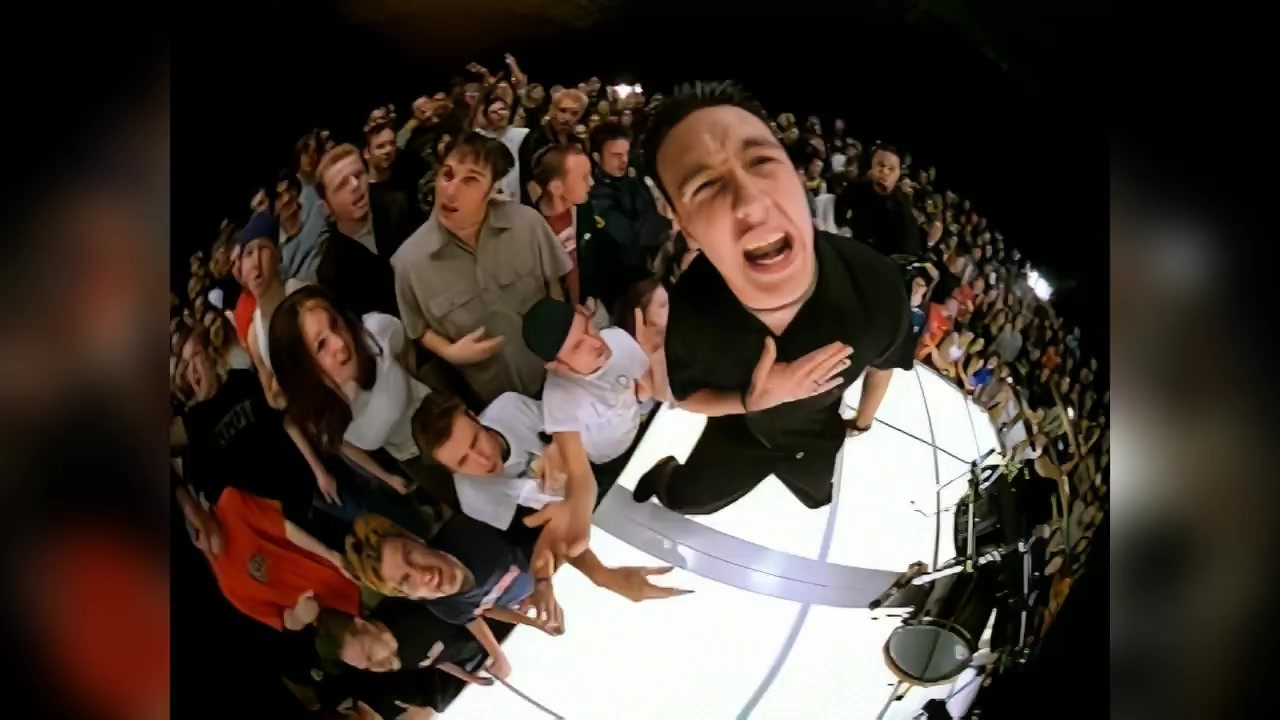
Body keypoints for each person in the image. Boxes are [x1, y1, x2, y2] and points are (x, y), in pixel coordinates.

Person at [631, 82, 915, 514]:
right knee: (688, 501)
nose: (751, 203)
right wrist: (751, 400)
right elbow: (685, 396)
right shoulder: (690, 309)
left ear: (797, 177)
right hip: (739, 428)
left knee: (816, 499)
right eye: (705, 185)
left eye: (761, 161)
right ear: (686, 227)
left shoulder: (876, 285)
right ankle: (665, 475)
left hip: (814, 433)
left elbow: (884, 362)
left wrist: (863, 421)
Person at [410, 390, 692, 602]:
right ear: (450, 471)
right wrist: (604, 576)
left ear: (474, 416)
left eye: (476, 440)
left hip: (608, 459)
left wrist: (560, 447)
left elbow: (572, 424)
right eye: (462, 462)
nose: (482, 460)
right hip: (592, 515)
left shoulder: (509, 407)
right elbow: (545, 535)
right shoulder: (473, 497)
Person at [391, 132, 573, 407]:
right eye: (447, 175)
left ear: (491, 191)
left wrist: (563, 342)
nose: (451, 191)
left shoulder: (527, 224)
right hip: (489, 399)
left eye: (471, 180)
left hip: (555, 376)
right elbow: (418, 328)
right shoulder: (408, 262)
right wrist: (449, 353)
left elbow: (555, 285)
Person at [268, 285, 456, 510]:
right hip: (411, 459)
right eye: (321, 345)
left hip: (443, 418)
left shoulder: (376, 334)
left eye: (335, 323)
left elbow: (406, 348)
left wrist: (414, 380)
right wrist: (387, 477)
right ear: (303, 369)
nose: (340, 343)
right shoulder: (321, 414)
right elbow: (347, 446)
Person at [345, 513, 561, 681]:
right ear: (408, 596)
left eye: (410, 554)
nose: (423, 574)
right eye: (405, 580)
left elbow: (559, 528)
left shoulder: (475, 527)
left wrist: (544, 581)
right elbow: (483, 610)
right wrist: (531, 621)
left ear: (417, 540)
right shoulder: (443, 608)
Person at [533, 143, 637, 312]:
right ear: (556, 188)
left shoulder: (586, 211)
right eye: (584, 177)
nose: (591, 182)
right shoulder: (532, 228)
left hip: (591, 306)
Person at [313, 145, 406, 319]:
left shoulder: (399, 207)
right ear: (326, 206)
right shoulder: (331, 271)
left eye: (358, 175)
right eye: (342, 185)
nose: (355, 185)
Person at [588, 121, 673, 279]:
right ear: (597, 157)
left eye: (626, 153)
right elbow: (629, 236)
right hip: (616, 276)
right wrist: (666, 221)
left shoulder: (632, 181)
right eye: (616, 155)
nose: (624, 160)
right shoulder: (595, 196)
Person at [835, 142, 925, 259]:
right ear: (872, 167)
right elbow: (839, 212)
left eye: (891, 169)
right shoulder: (856, 188)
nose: (885, 172)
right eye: (881, 165)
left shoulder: (901, 208)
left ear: (898, 175)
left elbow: (909, 251)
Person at [517, 88, 587, 205]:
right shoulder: (536, 138)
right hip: (541, 204)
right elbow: (531, 181)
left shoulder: (578, 141)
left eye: (574, 113)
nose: (567, 118)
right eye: (562, 110)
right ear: (553, 109)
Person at [363, 120, 427, 248]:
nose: (388, 150)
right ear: (367, 153)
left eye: (392, 144)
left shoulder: (407, 180)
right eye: (380, 146)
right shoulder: (363, 194)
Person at [474, 91, 530, 202]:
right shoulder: (481, 137)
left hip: (516, 193)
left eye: (503, 109)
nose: (500, 114)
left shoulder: (522, 134)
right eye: (494, 112)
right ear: (486, 116)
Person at [274, 170, 328, 284]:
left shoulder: (316, 206)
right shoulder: (276, 248)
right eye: (278, 196)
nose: (287, 198)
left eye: (289, 189)